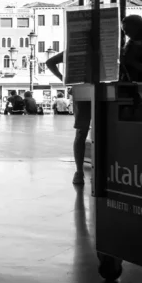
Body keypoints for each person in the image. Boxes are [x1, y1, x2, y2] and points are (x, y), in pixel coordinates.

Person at [45, 50, 89, 185]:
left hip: (81, 90)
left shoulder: (76, 47)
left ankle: (79, 172)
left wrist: (65, 80)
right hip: (96, 89)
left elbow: (50, 62)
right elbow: (50, 62)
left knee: (81, 132)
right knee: (88, 131)